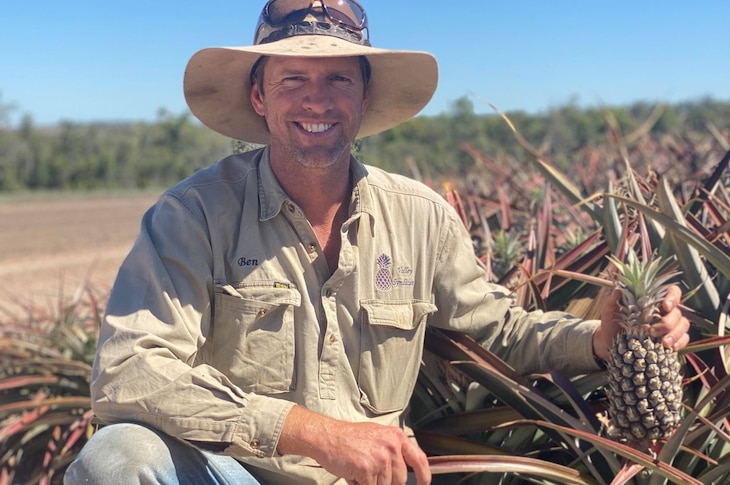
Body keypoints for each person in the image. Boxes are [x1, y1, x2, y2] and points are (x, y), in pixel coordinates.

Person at [65, 1, 690, 484]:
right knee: (117, 457)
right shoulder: (193, 214)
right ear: (259, 96)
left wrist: (602, 341)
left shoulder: (421, 217)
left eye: (339, 78)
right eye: (292, 80)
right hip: (239, 474)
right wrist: (314, 434)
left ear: (365, 97)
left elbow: (498, 331)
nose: (317, 99)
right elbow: (129, 373)